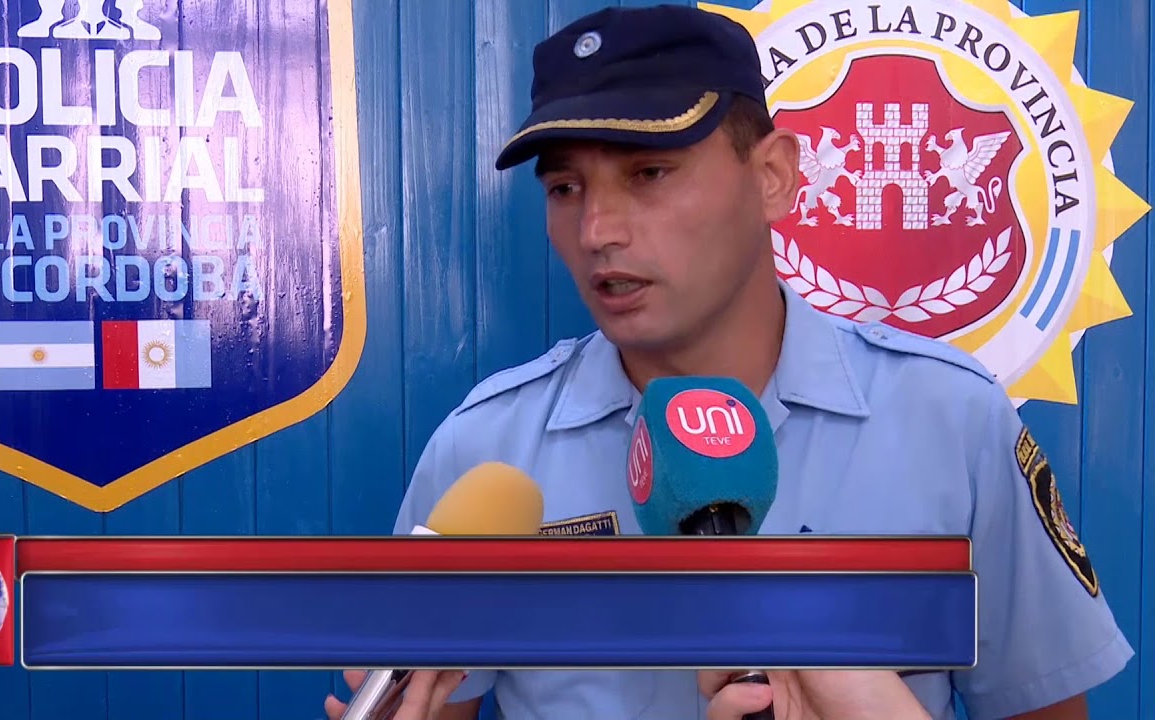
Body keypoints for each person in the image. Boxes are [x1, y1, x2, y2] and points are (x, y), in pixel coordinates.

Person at [324, 4, 1133, 719]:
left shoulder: (950, 423)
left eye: (649, 173)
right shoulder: (485, 456)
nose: (598, 229)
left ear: (774, 177)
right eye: (565, 188)